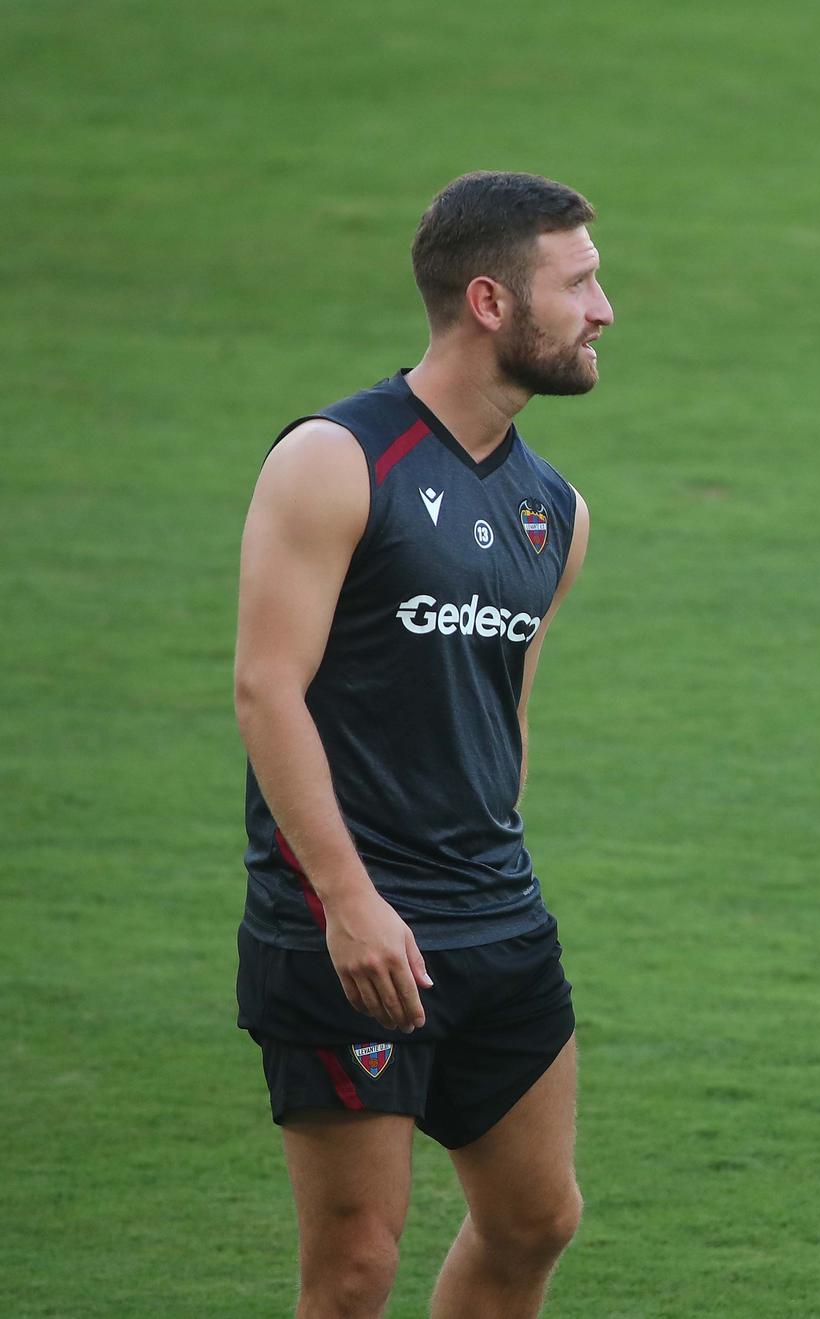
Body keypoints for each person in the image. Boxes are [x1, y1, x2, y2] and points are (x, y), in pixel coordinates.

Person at [233, 170, 610, 1319]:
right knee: (353, 1271)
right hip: (346, 930)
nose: (604, 309)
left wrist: (496, 868)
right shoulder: (335, 460)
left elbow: (506, 720)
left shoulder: (556, 510)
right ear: (491, 300)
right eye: (580, 281)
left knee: (537, 1217)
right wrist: (348, 900)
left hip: (495, 917)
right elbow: (265, 688)